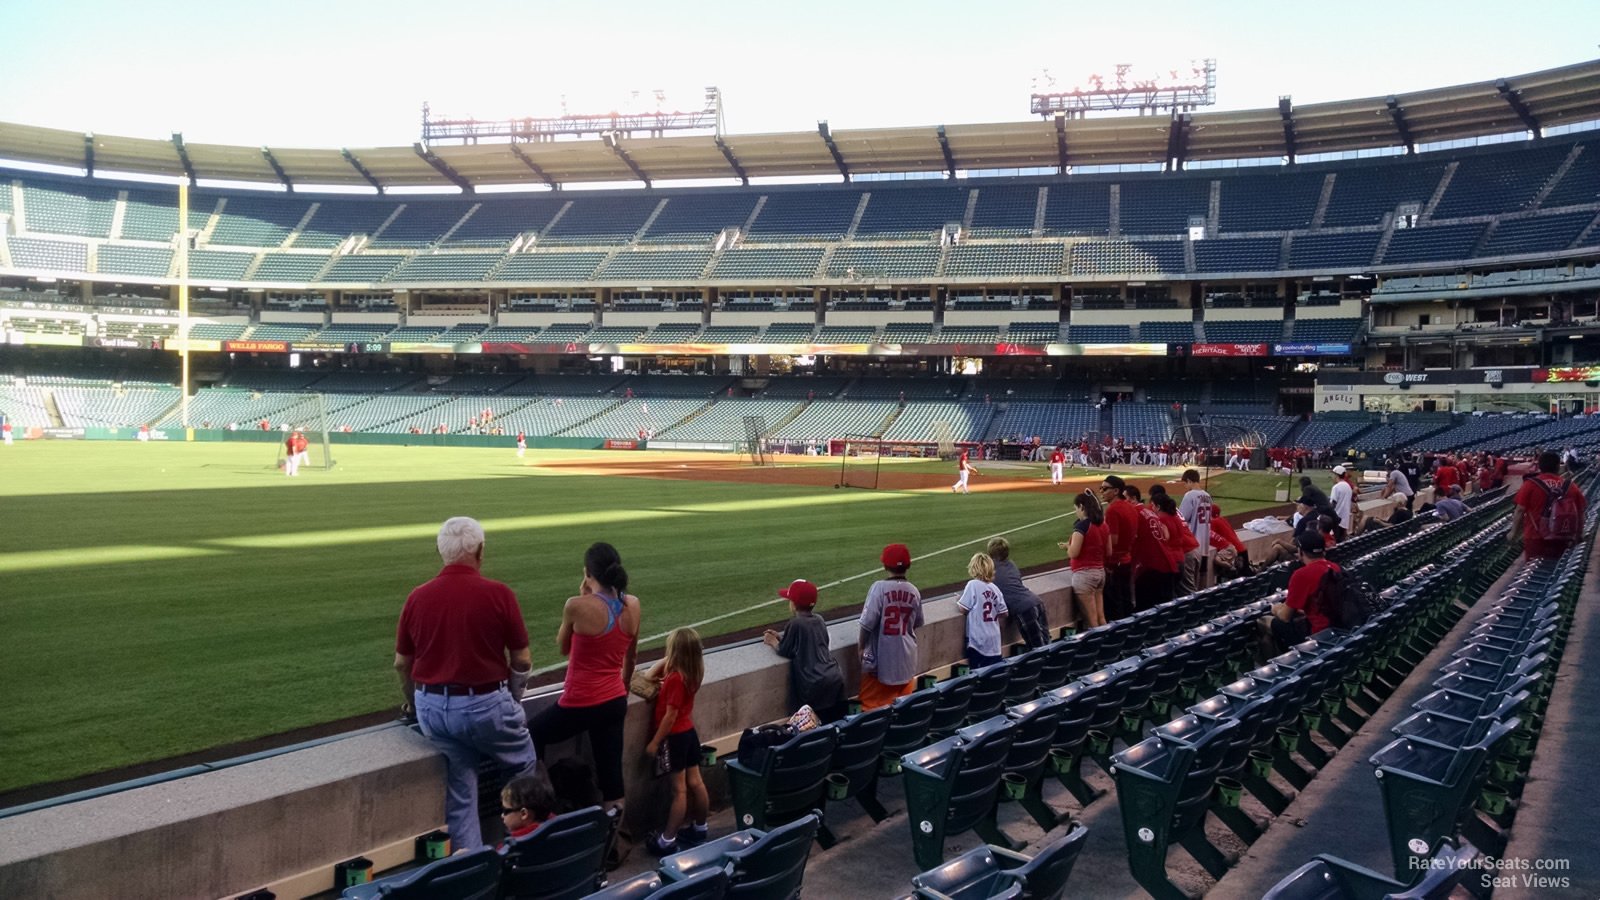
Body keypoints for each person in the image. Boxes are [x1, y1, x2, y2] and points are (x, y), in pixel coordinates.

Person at [394, 517, 538, 850]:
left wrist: (415, 704)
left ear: (440, 552)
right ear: (480, 551)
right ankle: (521, 854)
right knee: (523, 766)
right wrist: (514, 699)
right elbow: (522, 660)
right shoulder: (498, 593)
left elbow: (403, 663)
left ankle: (471, 869)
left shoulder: (417, 597)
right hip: (486, 705)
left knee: (461, 790)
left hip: (433, 710)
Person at [529, 542, 640, 815]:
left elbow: (563, 646)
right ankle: (612, 843)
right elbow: (631, 658)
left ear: (587, 573)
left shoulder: (576, 606)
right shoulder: (633, 605)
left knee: (533, 732)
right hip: (613, 700)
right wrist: (622, 693)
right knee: (612, 779)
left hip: (579, 701)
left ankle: (541, 801)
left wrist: (581, 595)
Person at [642, 628, 710, 856]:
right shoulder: (693, 673)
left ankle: (667, 839)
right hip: (688, 732)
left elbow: (669, 715)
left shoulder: (674, 680)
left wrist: (654, 742)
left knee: (679, 791)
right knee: (696, 783)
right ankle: (700, 827)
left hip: (674, 738)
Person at [762, 579, 847, 721]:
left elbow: (785, 650)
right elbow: (813, 643)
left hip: (814, 682)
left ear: (794, 605)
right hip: (834, 675)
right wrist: (781, 637)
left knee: (813, 723)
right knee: (834, 721)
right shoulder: (819, 619)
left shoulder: (795, 623)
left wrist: (773, 642)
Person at [857, 544, 923, 710]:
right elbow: (917, 623)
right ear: (908, 565)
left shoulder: (879, 588)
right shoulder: (914, 591)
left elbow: (866, 623)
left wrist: (861, 648)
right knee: (902, 710)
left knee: (871, 710)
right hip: (906, 660)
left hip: (880, 662)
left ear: (885, 565)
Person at [1260, 531, 1340, 653]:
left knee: (1265, 622)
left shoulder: (1301, 575)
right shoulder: (1335, 567)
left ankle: (1280, 667)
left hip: (1317, 636)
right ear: (1323, 551)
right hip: (1337, 628)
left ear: (1301, 552)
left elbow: (1284, 617)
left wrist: (1275, 609)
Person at [1509, 451, 1588, 559]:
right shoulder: (1570, 485)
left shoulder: (1530, 484)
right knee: (1557, 570)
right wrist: (1579, 535)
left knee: (1533, 570)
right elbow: (1580, 511)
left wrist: (1513, 533)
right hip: (1562, 535)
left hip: (1535, 536)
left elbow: (1519, 510)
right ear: (1557, 466)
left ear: (1540, 466)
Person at [987, 538, 1049, 650]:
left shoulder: (991, 570)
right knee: (1047, 644)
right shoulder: (1011, 564)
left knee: (1037, 649)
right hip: (1036, 602)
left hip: (1024, 609)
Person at [1061, 491, 1107, 628]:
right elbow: (1108, 550)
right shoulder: (1103, 525)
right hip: (1100, 572)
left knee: (1091, 621)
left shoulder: (1081, 527)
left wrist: (1068, 547)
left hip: (1084, 576)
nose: (1076, 512)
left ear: (1082, 507)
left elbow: (1074, 553)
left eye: (1076, 509)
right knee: (1101, 618)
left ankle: (1099, 648)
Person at [1129, 487, 1179, 610]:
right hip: (1171, 561)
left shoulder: (1156, 516)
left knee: (1147, 608)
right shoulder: (1167, 516)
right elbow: (1166, 536)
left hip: (1154, 566)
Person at [958, 553, 1008, 669]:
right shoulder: (995, 588)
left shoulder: (973, 585)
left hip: (978, 640)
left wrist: (958, 600)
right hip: (994, 641)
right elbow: (1004, 613)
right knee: (993, 676)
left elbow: (963, 608)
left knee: (978, 677)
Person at [1099, 475, 1138, 620]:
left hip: (1115, 563)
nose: (1101, 491)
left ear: (1116, 491)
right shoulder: (1130, 506)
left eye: (1104, 488)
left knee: (1113, 606)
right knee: (1126, 601)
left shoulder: (1113, 510)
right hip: (1127, 560)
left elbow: (1113, 540)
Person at [1177, 469, 1212, 593]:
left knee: (1189, 585)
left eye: (1185, 483)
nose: (1185, 487)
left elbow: (1182, 518)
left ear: (1190, 481)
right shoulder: (1207, 496)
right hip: (1205, 545)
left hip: (1193, 543)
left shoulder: (1190, 495)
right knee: (1201, 582)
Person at [500, 771, 557, 847]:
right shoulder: (559, 829)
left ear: (524, 814)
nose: (502, 815)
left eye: (505, 811)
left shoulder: (508, 846)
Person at [1329, 465, 1355, 536]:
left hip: (1336, 520)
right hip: (1345, 521)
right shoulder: (1348, 486)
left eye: (1333, 474)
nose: (1332, 477)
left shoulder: (1336, 487)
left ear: (1336, 475)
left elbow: (1333, 504)